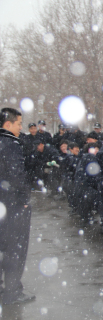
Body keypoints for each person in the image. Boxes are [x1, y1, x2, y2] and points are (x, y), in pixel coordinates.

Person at [0, 108, 35, 304]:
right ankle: (12, 292)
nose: (21, 128)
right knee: (15, 249)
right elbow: (17, 175)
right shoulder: (10, 144)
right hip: (12, 204)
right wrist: (24, 199)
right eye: (19, 124)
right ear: (8, 124)